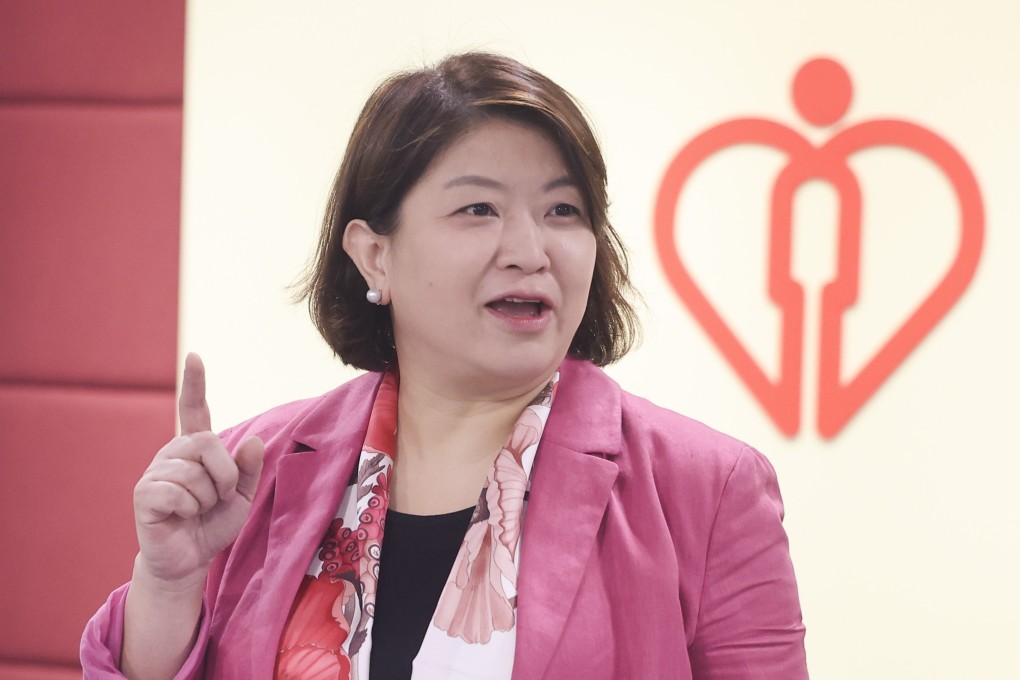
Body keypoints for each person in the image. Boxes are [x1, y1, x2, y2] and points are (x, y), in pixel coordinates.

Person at [81, 52, 808, 679]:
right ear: (375, 255)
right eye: (479, 211)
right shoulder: (254, 474)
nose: (530, 249)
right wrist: (169, 585)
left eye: (563, 211)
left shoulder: (706, 490)